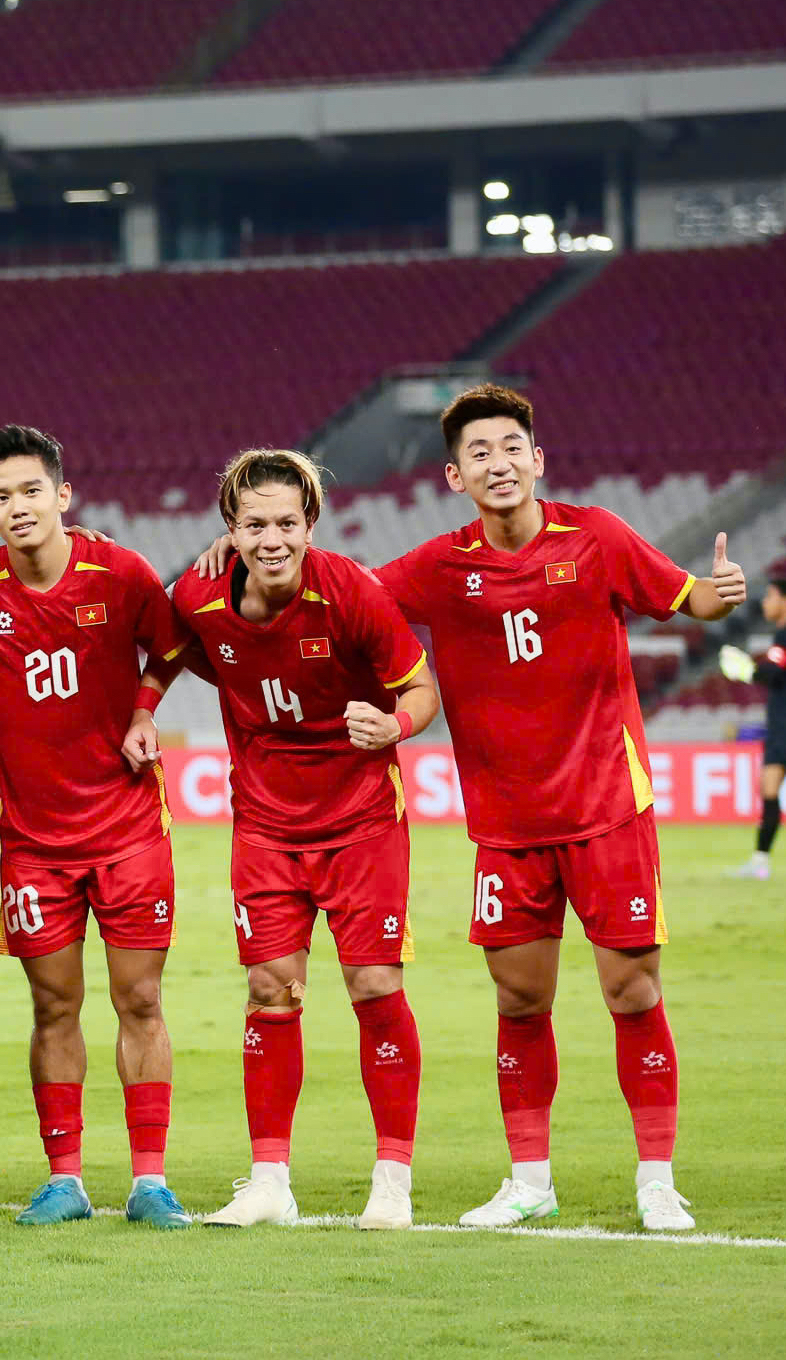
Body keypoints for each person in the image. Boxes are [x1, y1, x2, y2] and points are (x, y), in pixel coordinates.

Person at [192, 383, 744, 1231]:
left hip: (606, 806)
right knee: (518, 1001)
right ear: (454, 474)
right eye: (478, 453)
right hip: (507, 824)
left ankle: (656, 1179)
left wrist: (720, 589)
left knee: (631, 991)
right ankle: (529, 1179)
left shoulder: (595, 535)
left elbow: (686, 598)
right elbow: (337, 590)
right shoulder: (438, 567)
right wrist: (231, 552)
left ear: (536, 458)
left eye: (510, 447)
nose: (498, 462)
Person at [165, 449, 438, 1232]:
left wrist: (393, 723)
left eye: (287, 522)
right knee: (269, 991)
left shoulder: (351, 591)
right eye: (254, 524)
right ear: (230, 528)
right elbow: (174, 646)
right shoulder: (199, 593)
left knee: (373, 988)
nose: (272, 538)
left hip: (359, 822)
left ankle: (390, 1178)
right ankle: (268, 1179)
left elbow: (420, 687)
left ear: (311, 524)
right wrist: (147, 706)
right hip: (264, 825)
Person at [0, 424, 194, 1230]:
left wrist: (146, 710)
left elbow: (174, 640)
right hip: (34, 844)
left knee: (139, 998)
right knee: (53, 1007)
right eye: (2, 497)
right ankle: (65, 1177)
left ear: (62, 495)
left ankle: (149, 1179)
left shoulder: (119, 572)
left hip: (126, 827)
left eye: (30, 491)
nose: (18, 507)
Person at [716, 566, 786, 879]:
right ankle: (760, 862)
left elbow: (773, 673)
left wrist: (746, 670)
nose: (765, 604)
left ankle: (760, 862)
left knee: (769, 790)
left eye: (771, 597)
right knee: (768, 790)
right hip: (779, 728)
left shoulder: (785, 635)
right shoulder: (779, 637)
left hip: (784, 730)